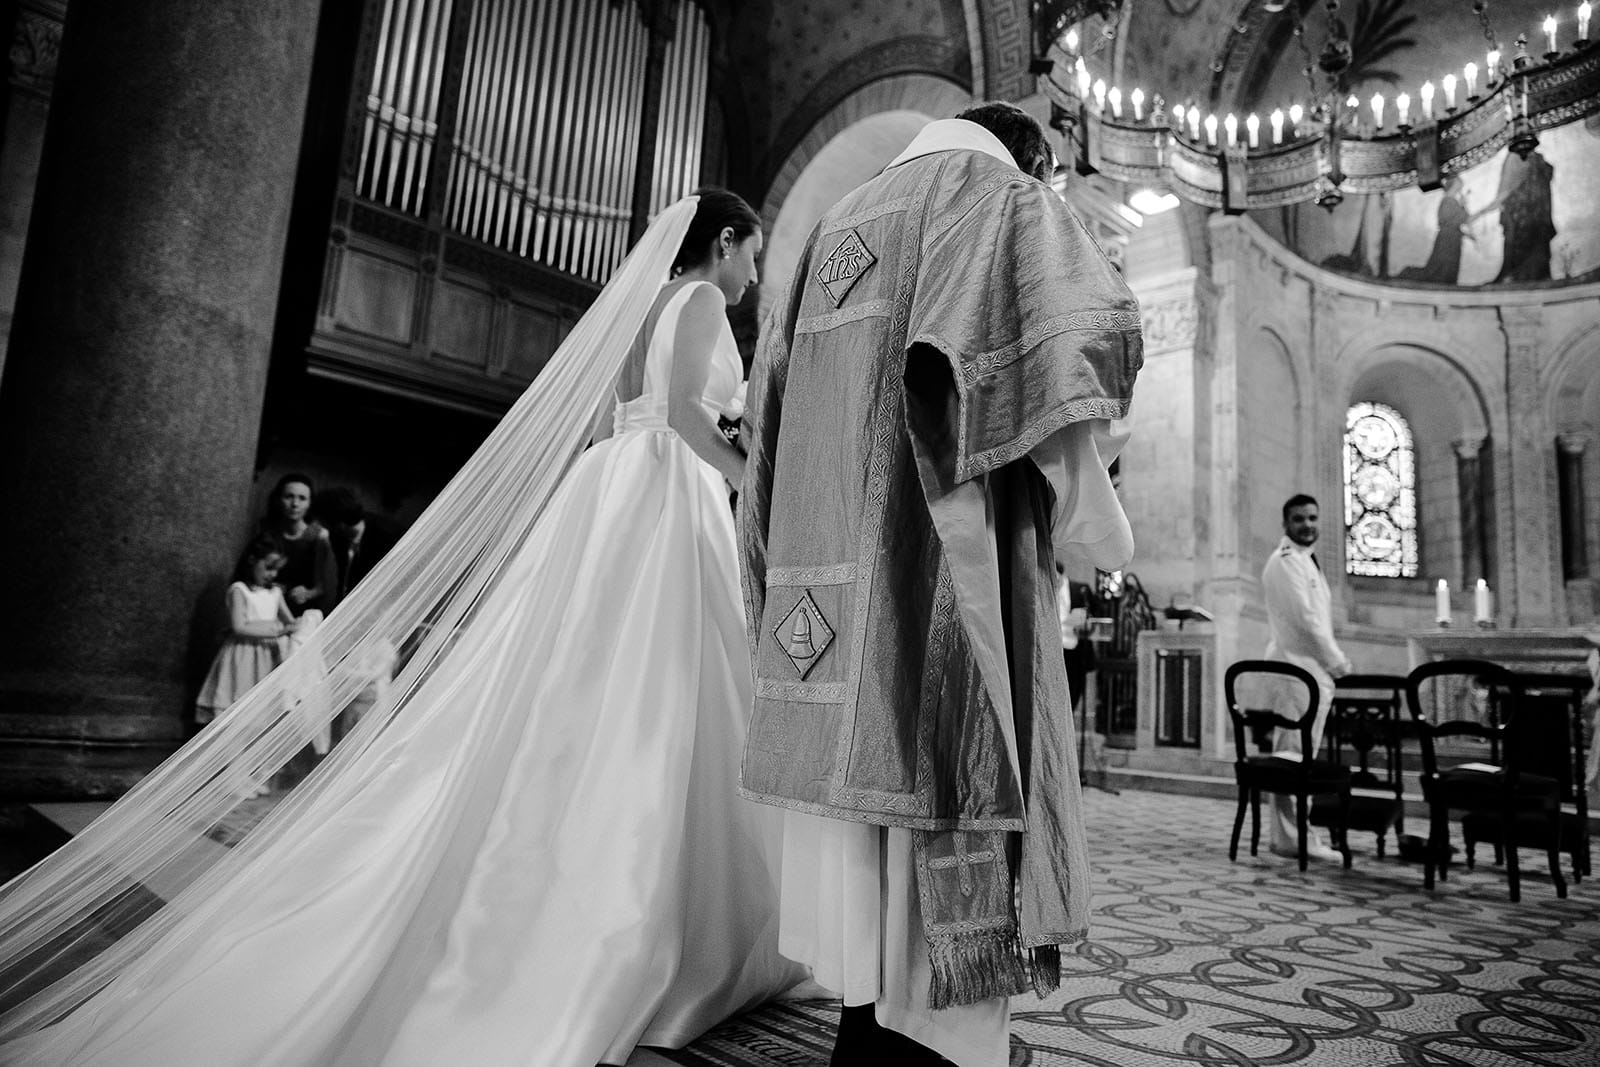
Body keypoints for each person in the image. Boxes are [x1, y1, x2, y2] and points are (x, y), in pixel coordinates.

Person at [0, 191, 803, 1065]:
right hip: (665, 495)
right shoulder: (697, 301)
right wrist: (750, 479)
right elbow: (687, 412)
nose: (754, 274)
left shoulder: (643, 303)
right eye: (751, 254)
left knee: (597, 691)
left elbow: (625, 415)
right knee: (665, 692)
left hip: (618, 489)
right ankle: (651, 917)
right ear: (721, 243)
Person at [738, 102, 1142, 1065]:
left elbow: (770, 434)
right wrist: (1098, 530)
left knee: (864, 892)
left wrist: (770, 578)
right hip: (944, 593)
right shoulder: (995, 195)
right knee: (940, 842)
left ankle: (865, 1035)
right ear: (1035, 161)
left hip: (825, 611)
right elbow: (1063, 369)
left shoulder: (834, 224)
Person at [1260, 493, 1353, 862]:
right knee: (1293, 757)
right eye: (1299, 519)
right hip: (1298, 672)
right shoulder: (1285, 562)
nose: (1307, 524)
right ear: (1286, 524)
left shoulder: (1302, 560)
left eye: (1312, 518)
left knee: (1299, 757)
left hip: (1307, 672)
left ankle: (1294, 835)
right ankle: (1294, 840)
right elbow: (1307, 622)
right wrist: (1338, 662)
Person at [193, 534, 300, 726]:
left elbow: (291, 621)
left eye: (277, 570)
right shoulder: (239, 590)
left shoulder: (275, 593)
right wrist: (278, 631)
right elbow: (239, 626)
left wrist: (303, 622)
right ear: (252, 560)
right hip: (243, 653)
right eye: (269, 567)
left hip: (269, 654)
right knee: (238, 702)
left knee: (262, 712)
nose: (272, 575)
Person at [258, 472, 338, 618]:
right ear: (278, 499)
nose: (295, 504)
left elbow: (325, 586)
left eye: (302, 498)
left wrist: (308, 593)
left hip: (303, 610)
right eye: (289, 497)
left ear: (309, 503)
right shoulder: (268, 532)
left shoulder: (318, 535)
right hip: (270, 606)